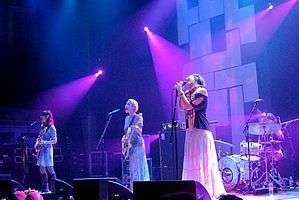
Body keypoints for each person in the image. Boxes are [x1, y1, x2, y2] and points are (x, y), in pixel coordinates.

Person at [175, 74, 226, 199]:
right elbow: (182, 107)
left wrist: (181, 92)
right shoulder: (187, 92)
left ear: (196, 80)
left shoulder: (202, 91)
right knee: (191, 160)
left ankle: (205, 190)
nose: (187, 78)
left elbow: (189, 106)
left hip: (200, 130)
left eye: (190, 77)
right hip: (191, 130)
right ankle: (191, 190)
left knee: (201, 160)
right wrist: (181, 92)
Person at [121, 99, 150, 190]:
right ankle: (133, 188)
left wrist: (135, 128)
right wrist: (124, 140)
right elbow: (126, 132)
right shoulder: (126, 119)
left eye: (129, 104)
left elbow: (139, 131)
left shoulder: (138, 117)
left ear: (134, 107)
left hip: (137, 144)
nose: (126, 105)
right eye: (126, 103)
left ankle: (141, 188)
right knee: (132, 168)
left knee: (138, 166)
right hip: (130, 145)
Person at [34, 110, 57, 193]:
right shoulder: (42, 126)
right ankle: (45, 188)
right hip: (41, 149)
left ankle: (54, 188)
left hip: (47, 149)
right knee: (42, 168)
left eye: (42, 116)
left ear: (47, 116)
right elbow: (39, 137)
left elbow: (55, 140)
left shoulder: (52, 127)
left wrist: (44, 142)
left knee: (50, 168)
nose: (41, 117)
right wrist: (36, 144)